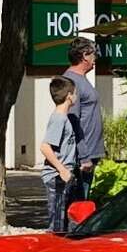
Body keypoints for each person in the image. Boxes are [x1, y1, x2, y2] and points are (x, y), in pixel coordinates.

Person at [64, 38, 105, 198]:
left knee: (82, 201)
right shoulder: (72, 81)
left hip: (89, 153)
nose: (95, 58)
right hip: (81, 156)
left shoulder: (81, 79)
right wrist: (84, 157)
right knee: (78, 204)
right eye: (93, 54)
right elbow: (73, 121)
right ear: (84, 56)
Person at [40, 76, 78, 233]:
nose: (76, 96)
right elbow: (45, 147)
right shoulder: (59, 119)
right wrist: (62, 169)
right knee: (57, 225)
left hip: (65, 176)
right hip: (56, 178)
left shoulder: (63, 118)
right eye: (75, 93)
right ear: (69, 96)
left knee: (65, 222)